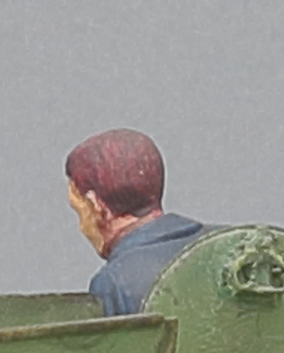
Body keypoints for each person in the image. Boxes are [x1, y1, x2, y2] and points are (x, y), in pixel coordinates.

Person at [65, 128, 205, 316]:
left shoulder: (114, 283)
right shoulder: (233, 244)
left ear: (96, 207)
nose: (81, 227)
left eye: (80, 211)